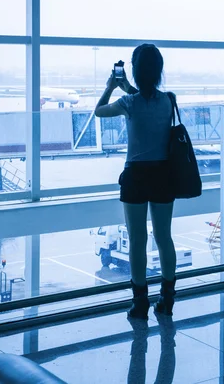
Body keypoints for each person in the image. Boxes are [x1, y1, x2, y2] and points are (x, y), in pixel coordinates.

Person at [95, 44, 176, 320]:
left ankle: (140, 301)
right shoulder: (169, 100)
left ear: (135, 71)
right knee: (164, 237)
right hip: (164, 174)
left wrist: (111, 86)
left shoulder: (129, 103)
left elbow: (99, 110)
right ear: (159, 71)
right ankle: (167, 298)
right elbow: (148, 99)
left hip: (136, 176)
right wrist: (129, 86)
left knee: (137, 241)